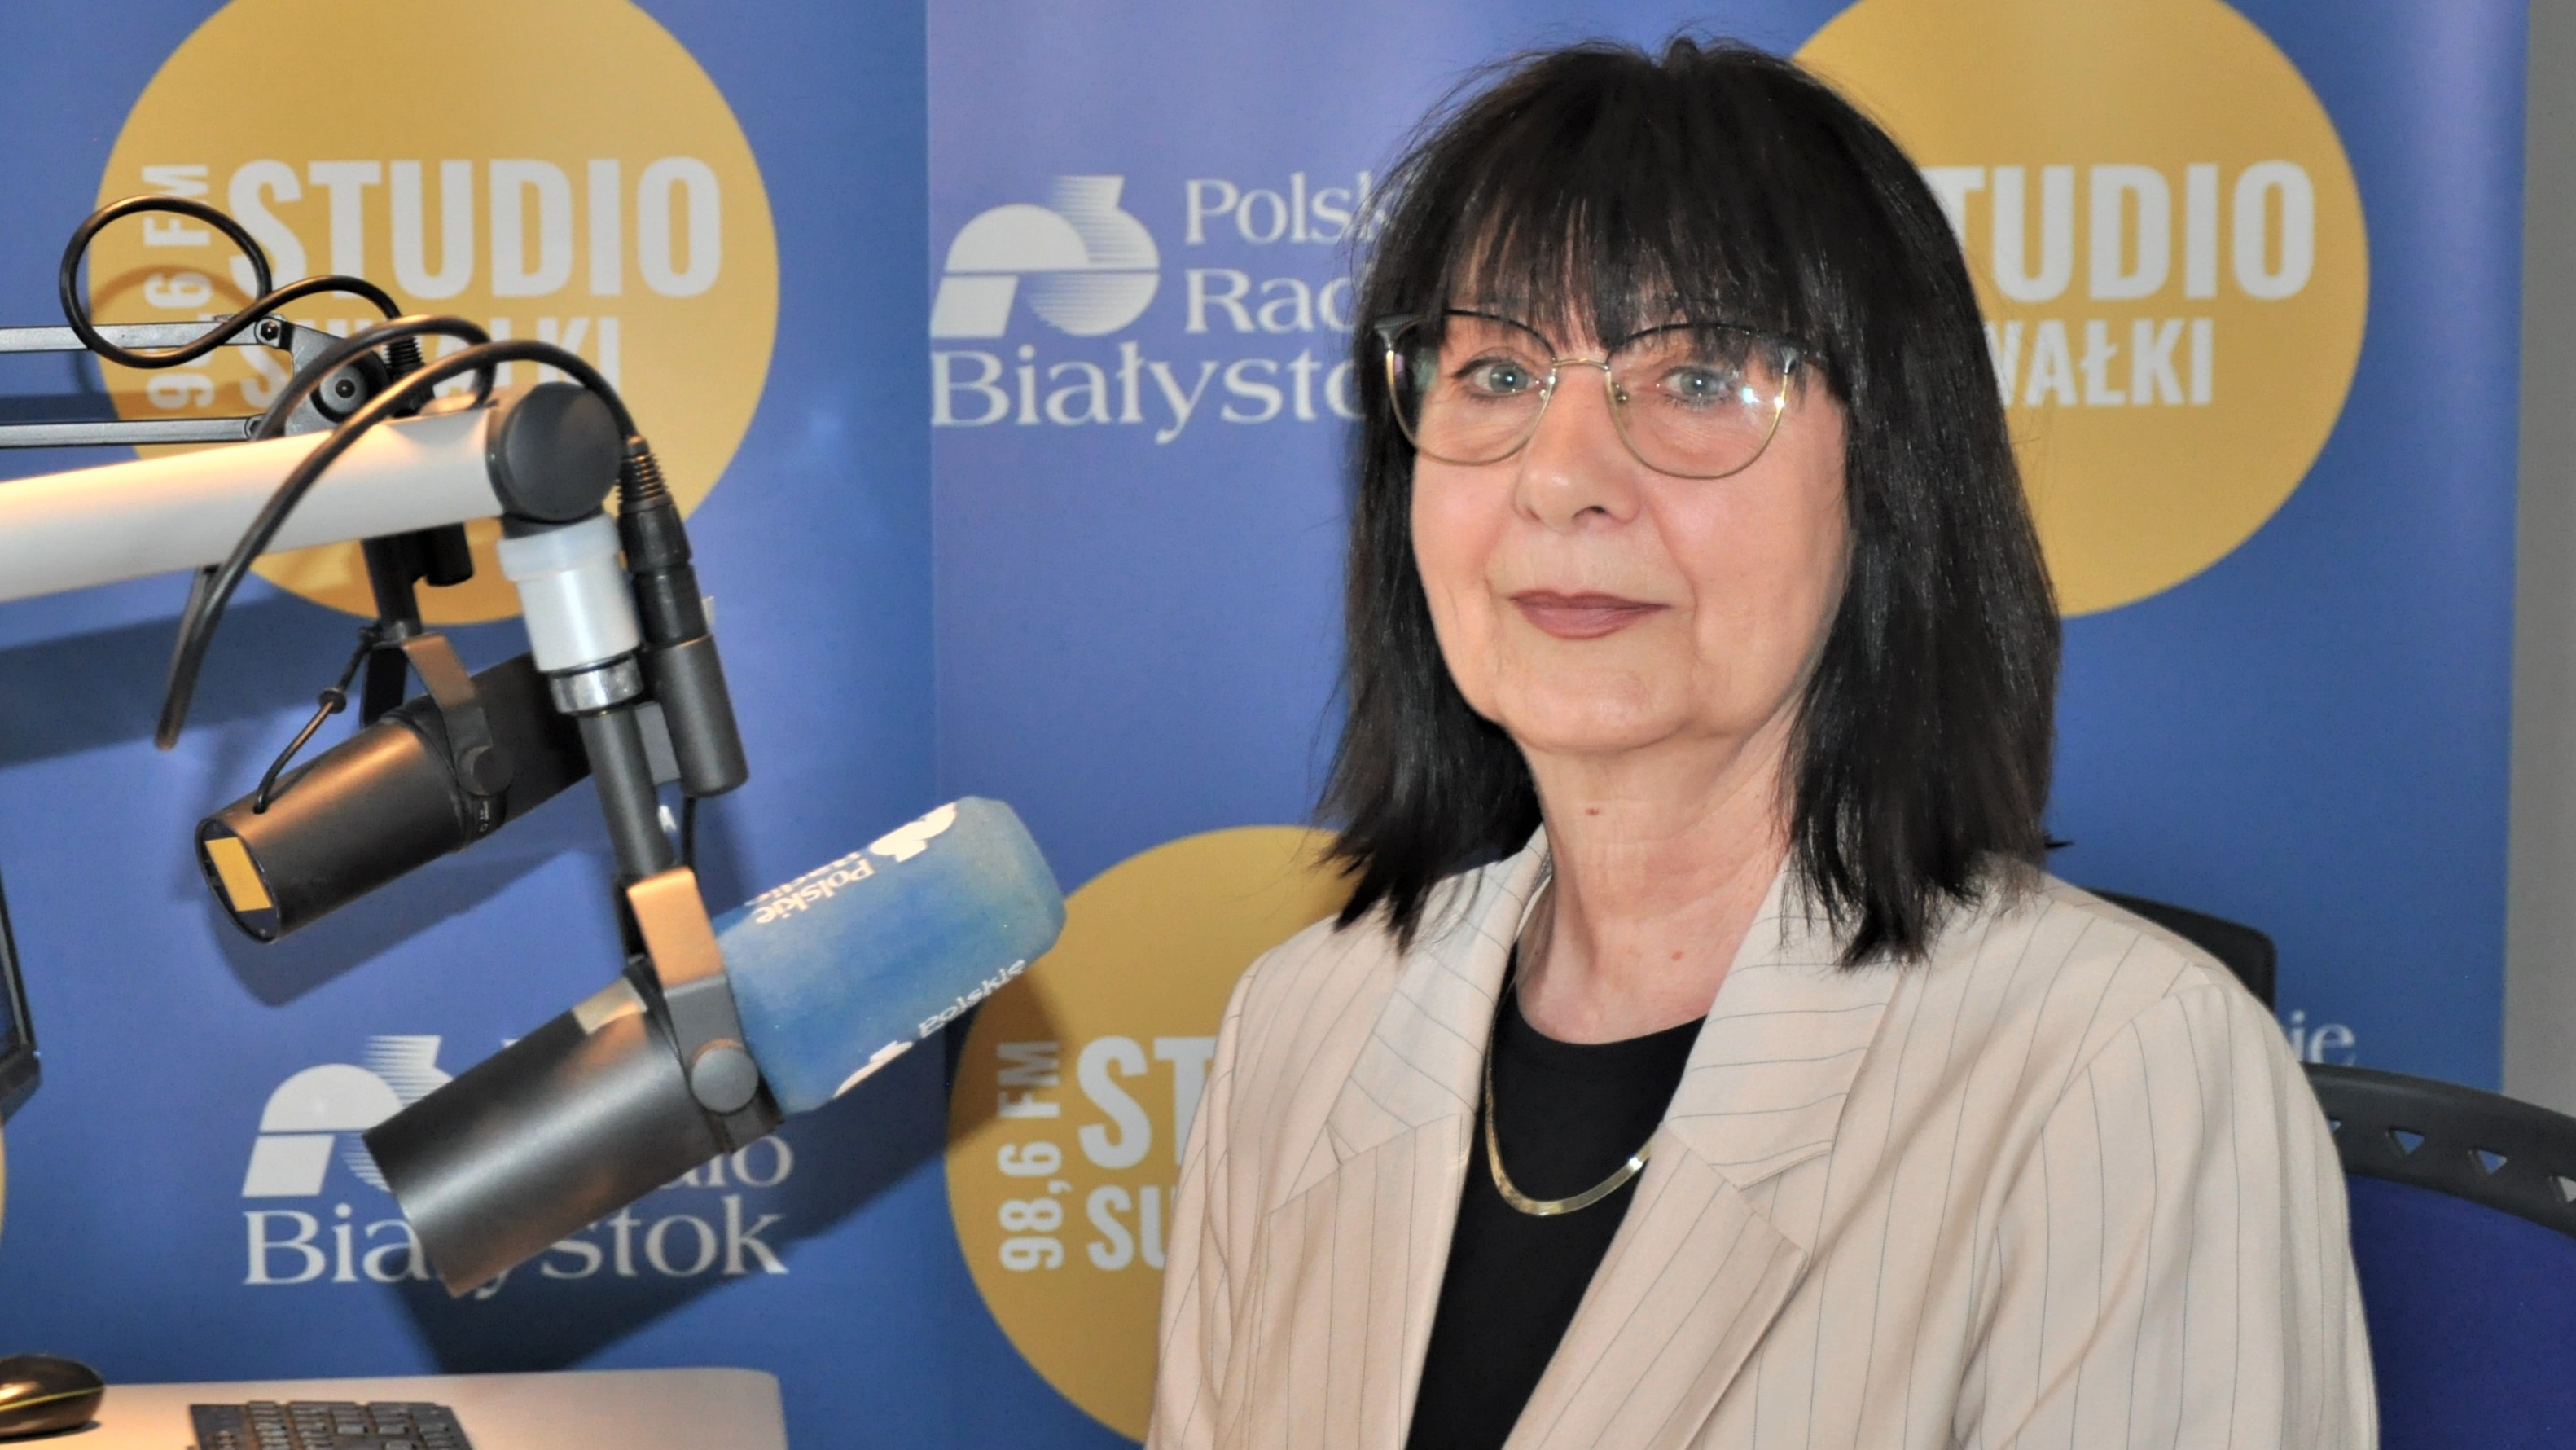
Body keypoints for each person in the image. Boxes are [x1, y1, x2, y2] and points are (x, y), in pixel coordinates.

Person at [1148, 35, 2373, 1450]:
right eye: (1496, 372)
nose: (1562, 476)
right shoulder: (1301, 1026)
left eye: (1698, 379)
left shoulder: (2124, 1073)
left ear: (1893, 479)